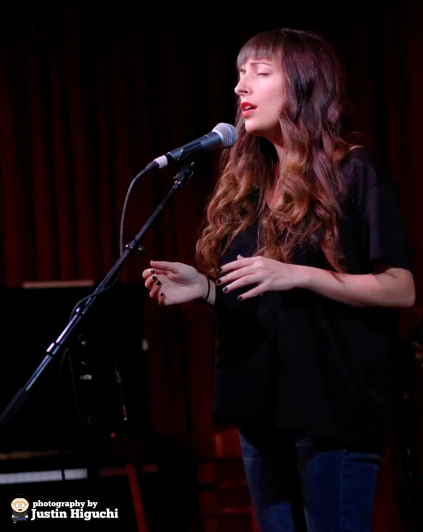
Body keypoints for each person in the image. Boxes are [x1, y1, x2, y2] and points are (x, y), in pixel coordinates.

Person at [142, 29, 415, 532]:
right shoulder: (251, 188)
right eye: (240, 75)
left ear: (306, 87)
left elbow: (400, 287)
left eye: (261, 74)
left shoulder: (354, 171)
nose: (241, 87)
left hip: (329, 407)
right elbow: (264, 300)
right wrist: (204, 289)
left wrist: (299, 274)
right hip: (262, 407)